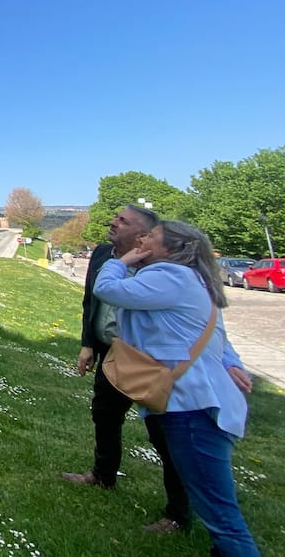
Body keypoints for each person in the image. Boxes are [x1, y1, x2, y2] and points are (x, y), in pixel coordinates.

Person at [93, 220, 258, 556]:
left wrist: (121, 262)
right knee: (216, 509)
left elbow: (107, 289)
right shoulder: (191, 278)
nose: (143, 239)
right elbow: (216, 334)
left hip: (192, 408)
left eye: (151, 236)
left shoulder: (169, 276)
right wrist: (230, 362)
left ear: (172, 249)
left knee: (224, 519)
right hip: (200, 401)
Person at [61, 204, 193, 533]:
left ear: (142, 234)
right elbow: (91, 301)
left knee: (162, 434)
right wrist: (88, 343)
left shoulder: (156, 263)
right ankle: (103, 475)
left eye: (123, 221)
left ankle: (178, 513)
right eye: (116, 218)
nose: (113, 223)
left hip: (149, 358)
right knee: (104, 414)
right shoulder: (103, 253)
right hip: (111, 351)